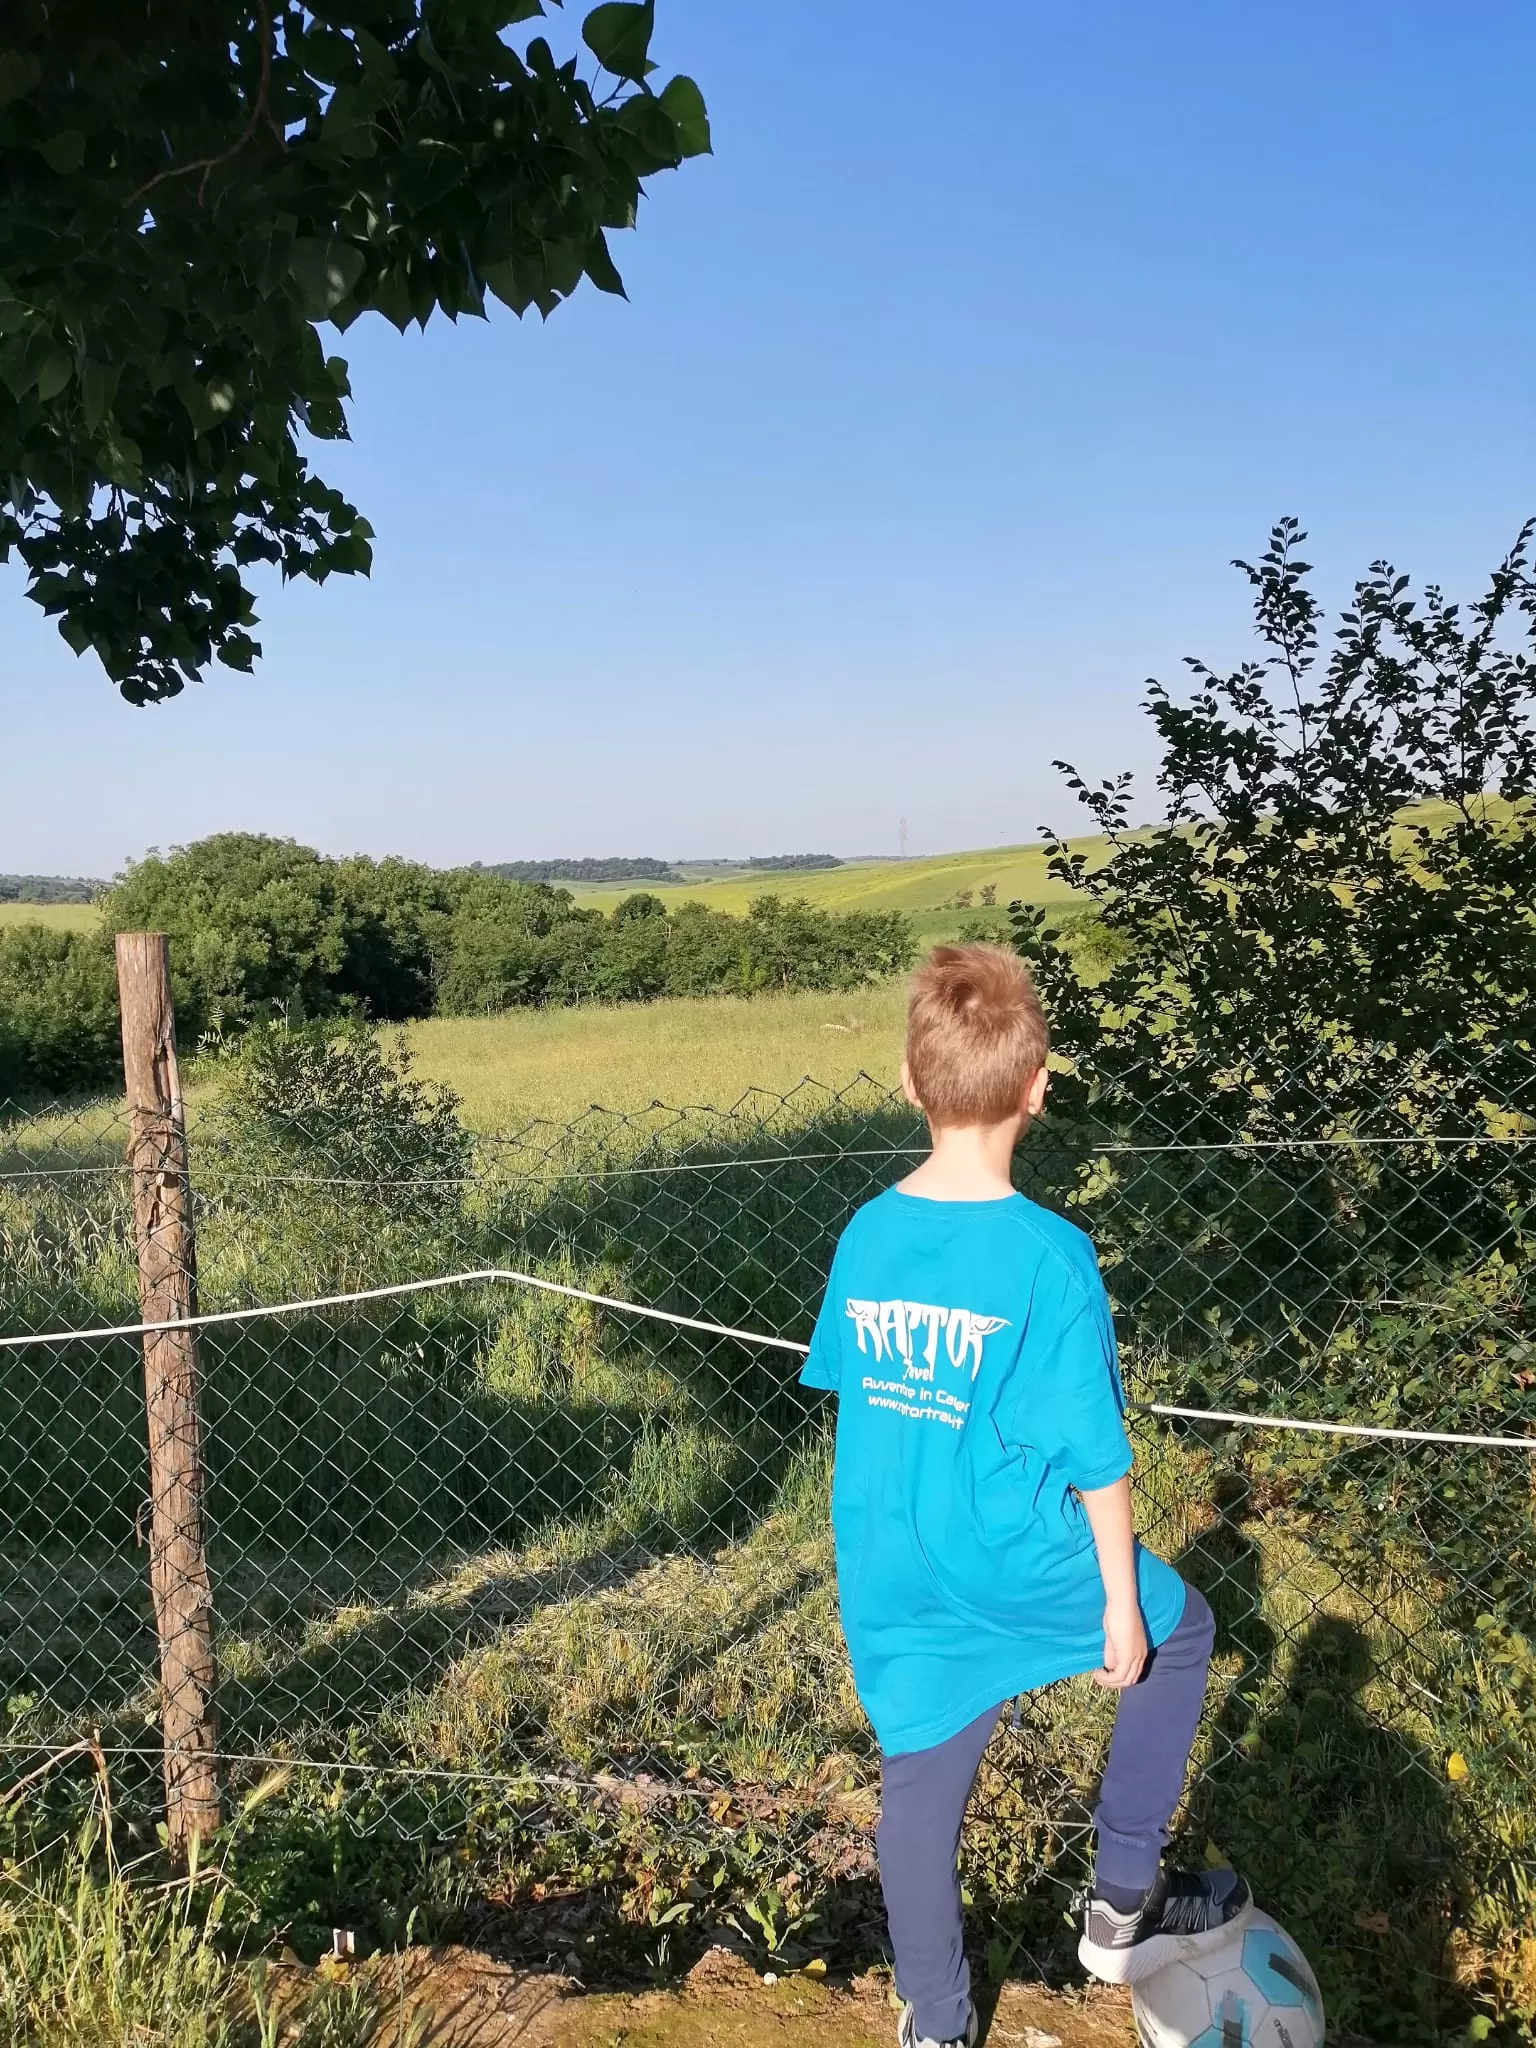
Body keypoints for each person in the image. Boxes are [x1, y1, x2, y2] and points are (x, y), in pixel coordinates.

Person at [799, 944, 1250, 2048]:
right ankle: (1121, 1899)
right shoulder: (1052, 1256)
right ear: (1037, 1086)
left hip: (890, 1563)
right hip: (1011, 1553)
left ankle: (939, 2025)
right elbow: (1097, 1454)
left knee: (915, 1804)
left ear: (911, 1084)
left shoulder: (867, 1232)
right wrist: (1116, 1601)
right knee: (1180, 1630)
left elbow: (862, 1396)